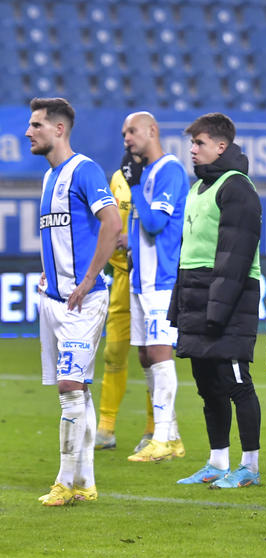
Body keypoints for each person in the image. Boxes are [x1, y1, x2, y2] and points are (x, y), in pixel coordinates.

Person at [27, 97, 122, 505]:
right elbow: (61, 234)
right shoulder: (49, 179)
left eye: (36, 125)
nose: (28, 132)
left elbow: (113, 222)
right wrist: (51, 269)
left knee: (69, 385)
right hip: (54, 299)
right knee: (76, 390)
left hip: (83, 301)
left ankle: (64, 482)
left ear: (58, 129)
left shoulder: (84, 170)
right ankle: (85, 482)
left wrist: (87, 279)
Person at [169, 113, 263, 488]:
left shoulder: (236, 187)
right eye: (192, 143)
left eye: (200, 143)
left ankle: (250, 466)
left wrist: (217, 310)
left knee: (236, 381)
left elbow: (235, 257)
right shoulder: (197, 190)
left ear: (221, 147)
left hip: (227, 301)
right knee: (207, 384)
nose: (193, 150)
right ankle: (217, 461)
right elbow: (187, 255)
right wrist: (179, 307)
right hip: (196, 298)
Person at [122, 112, 189, 463]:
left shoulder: (170, 170)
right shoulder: (147, 173)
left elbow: (154, 222)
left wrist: (133, 187)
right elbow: (142, 228)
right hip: (141, 280)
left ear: (152, 131)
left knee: (160, 353)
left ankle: (161, 437)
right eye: (123, 134)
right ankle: (172, 435)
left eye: (132, 131)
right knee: (146, 355)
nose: (127, 139)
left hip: (163, 280)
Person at [95, 151, 155, 454]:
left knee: (152, 356)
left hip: (150, 281)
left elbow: (165, 223)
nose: (128, 141)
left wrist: (134, 236)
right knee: (113, 353)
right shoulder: (117, 177)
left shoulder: (159, 175)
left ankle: (153, 429)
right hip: (121, 277)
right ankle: (106, 428)